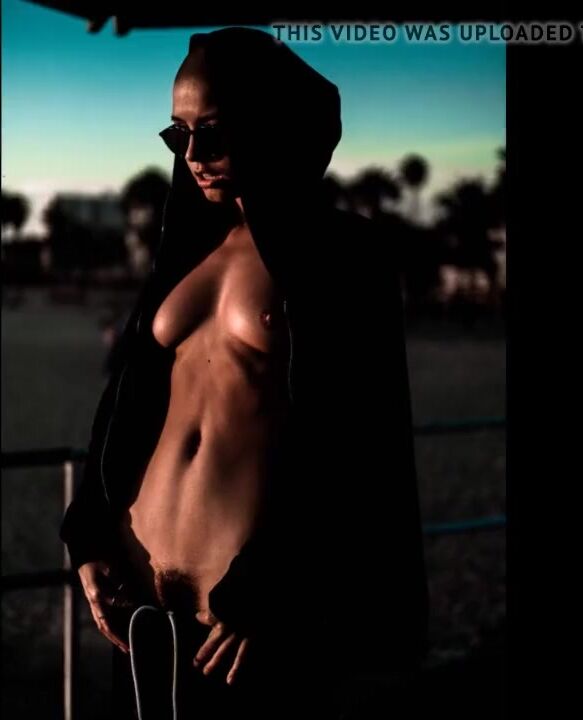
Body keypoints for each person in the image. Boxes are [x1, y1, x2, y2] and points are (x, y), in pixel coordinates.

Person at [60, 27, 429, 719]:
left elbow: (359, 440)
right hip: (139, 618)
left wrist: (277, 585)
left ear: (274, 125)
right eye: (178, 134)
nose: (194, 156)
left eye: (215, 132)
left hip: (247, 631)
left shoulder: (341, 255)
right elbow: (124, 411)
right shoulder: (182, 254)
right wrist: (89, 537)